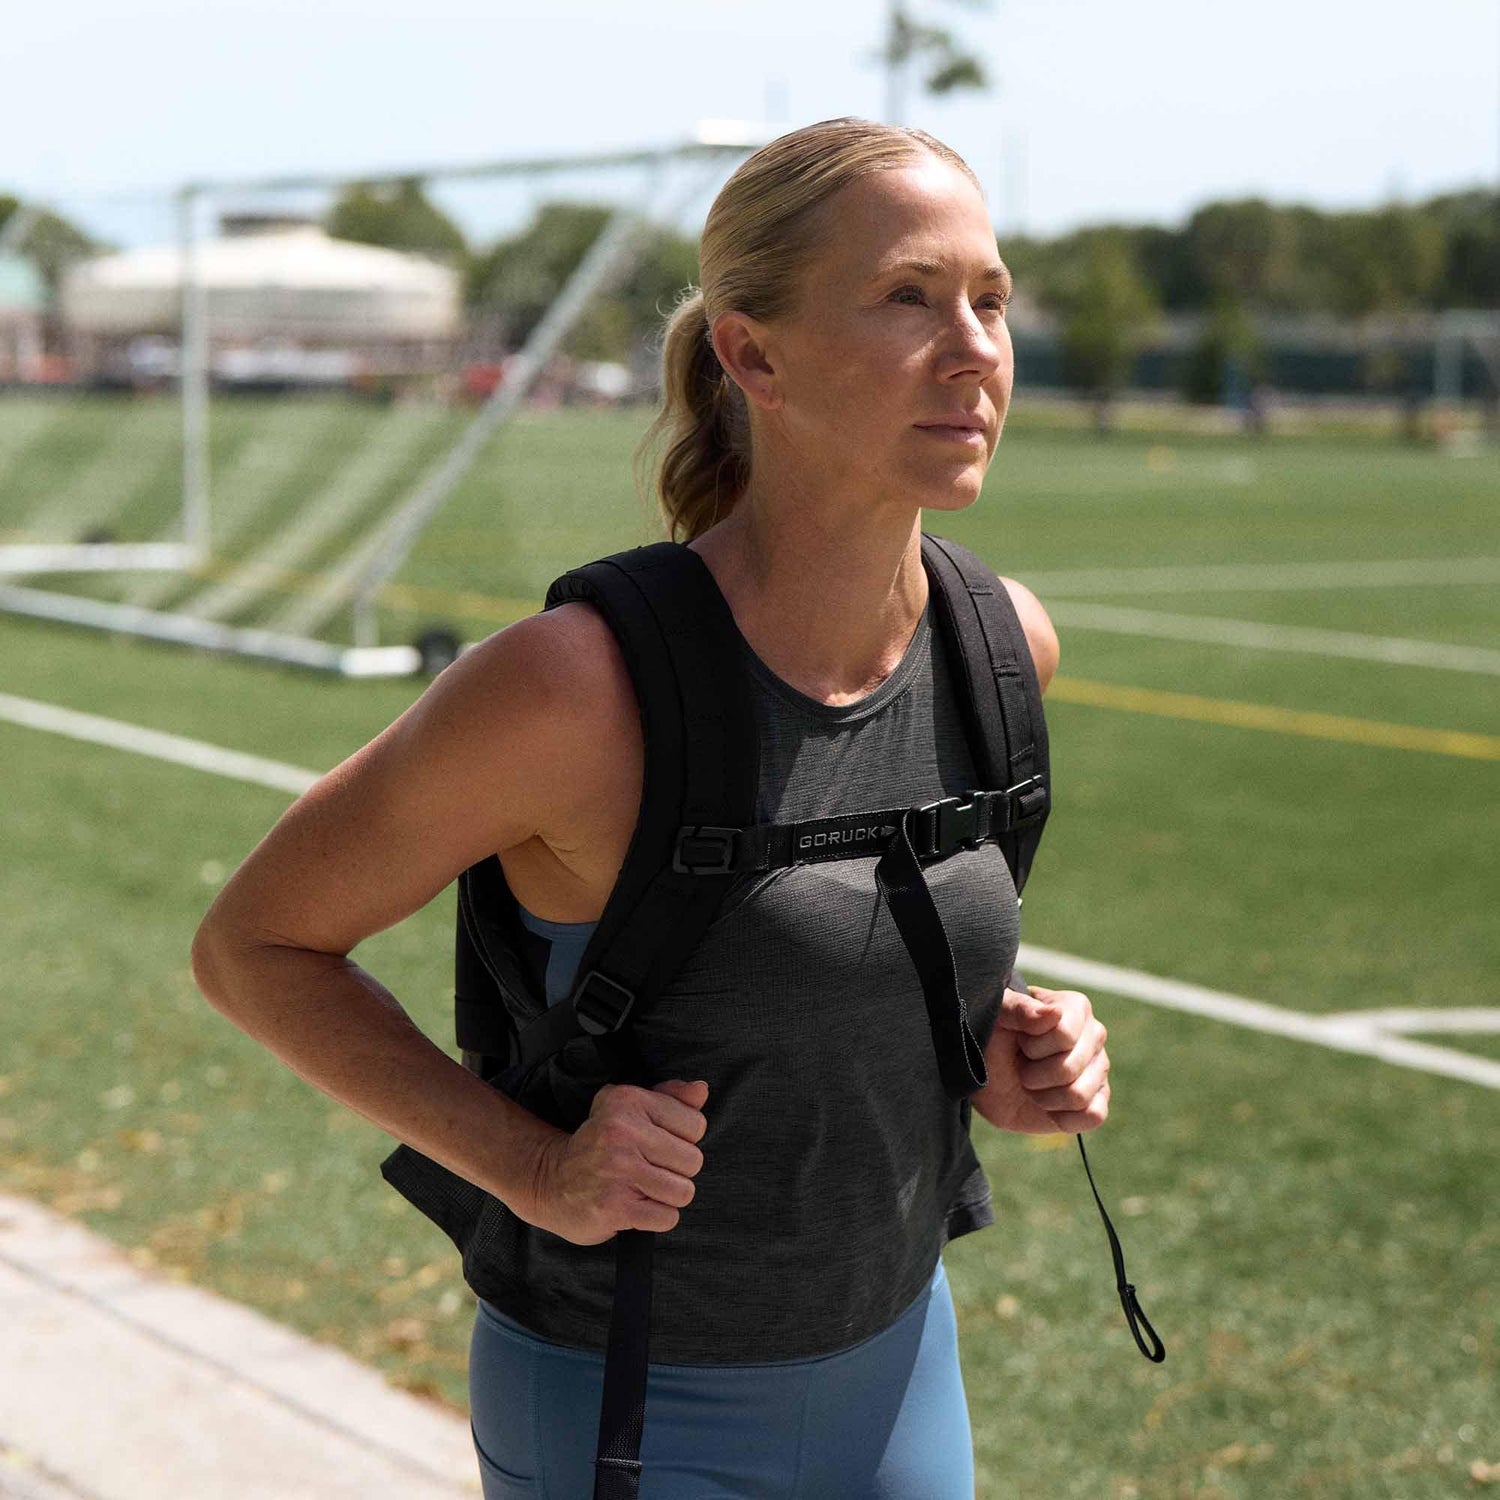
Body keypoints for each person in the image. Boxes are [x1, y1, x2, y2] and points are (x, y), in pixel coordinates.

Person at [191, 117, 1112, 1499]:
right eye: (909, 297)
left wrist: (998, 1047)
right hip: (629, 1408)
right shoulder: (580, 688)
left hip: (903, 1377)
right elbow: (253, 947)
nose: (976, 345)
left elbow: (836, 967)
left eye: (988, 297)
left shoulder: (1002, 648)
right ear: (752, 353)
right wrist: (532, 1167)